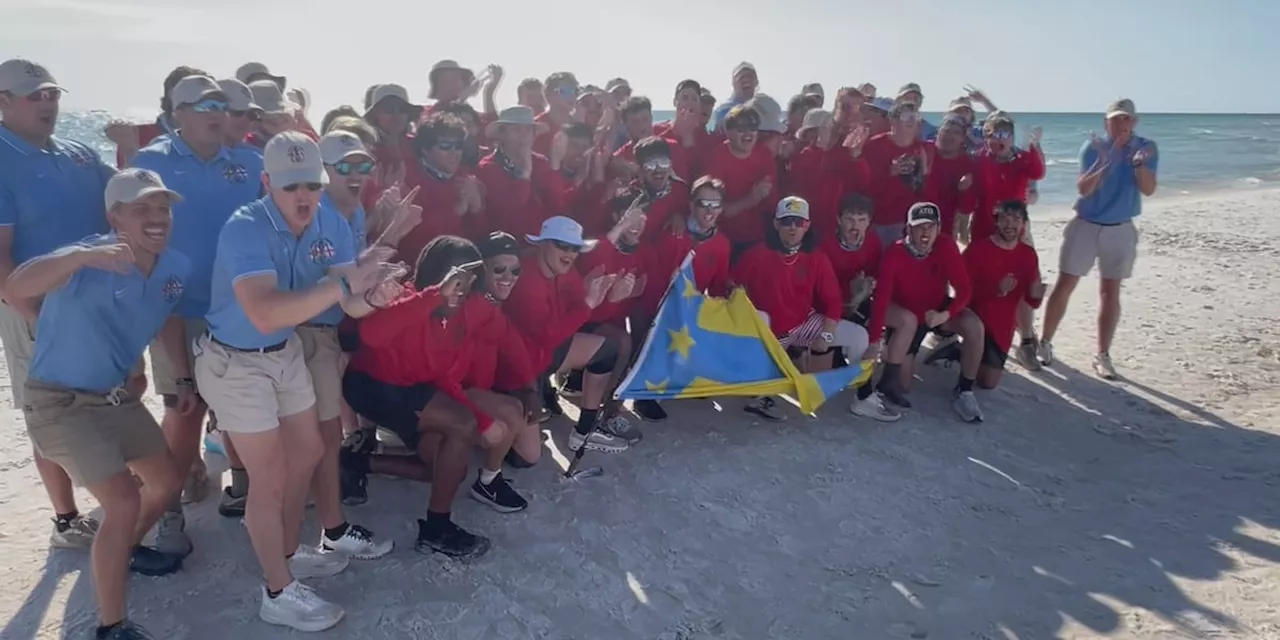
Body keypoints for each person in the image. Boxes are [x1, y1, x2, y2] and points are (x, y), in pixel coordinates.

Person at [196, 131, 397, 631]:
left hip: (283, 353)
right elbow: (264, 313)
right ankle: (278, 590)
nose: (303, 195)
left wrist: (373, 297)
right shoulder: (244, 228)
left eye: (311, 183)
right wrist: (344, 283)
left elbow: (348, 299)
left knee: (308, 452)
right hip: (236, 362)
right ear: (266, 183)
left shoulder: (329, 218)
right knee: (272, 478)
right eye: (290, 186)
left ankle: (285, 551)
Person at [9, 169, 189, 640]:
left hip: (113, 395)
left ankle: (121, 549)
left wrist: (182, 375)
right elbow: (17, 285)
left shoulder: (175, 266)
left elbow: (166, 316)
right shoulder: (87, 255)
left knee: (167, 480)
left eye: (163, 208)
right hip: (59, 401)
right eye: (141, 208)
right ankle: (112, 626)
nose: (156, 218)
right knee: (123, 500)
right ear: (114, 217)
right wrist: (81, 255)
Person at [129, 74, 265, 546]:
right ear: (176, 114)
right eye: (202, 103)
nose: (214, 110)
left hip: (239, 308)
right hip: (175, 311)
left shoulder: (250, 163)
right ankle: (167, 514)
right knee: (184, 409)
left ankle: (248, 488)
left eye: (220, 103)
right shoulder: (149, 164)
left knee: (242, 404)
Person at [343, 236, 534, 537]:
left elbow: (444, 375)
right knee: (464, 423)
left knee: (450, 471)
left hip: (414, 390)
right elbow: (372, 335)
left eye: (467, 281)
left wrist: (529, 387)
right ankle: (437, 528)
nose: (459, 290)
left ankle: (357, 463)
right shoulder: (405, 298)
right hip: (372, 387)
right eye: (452, 279)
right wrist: (435, 294)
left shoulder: (464, 310)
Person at [1, 57, 116, 550]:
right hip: (37, 306)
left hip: (96, 306)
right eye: (35, 96)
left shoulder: (79, 153)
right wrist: (31, 313)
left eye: (52, 94)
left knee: (109, 395)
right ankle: (67, 519)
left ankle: (113, 493)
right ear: (2, 103)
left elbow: (128, 197)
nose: (48, 103)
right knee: (47, 410)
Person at [1039, 98, 1157, 380]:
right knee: (1065, 283)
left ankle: (1102, 354)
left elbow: (1149, 189)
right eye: (1115, 119)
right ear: (1106, 122)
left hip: (1121, 227)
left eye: (1126, 119)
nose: (1121, 124)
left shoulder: (1145, 147)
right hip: (1086, 224)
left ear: (1134, 121)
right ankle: (1044, 342)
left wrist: (1138, 164)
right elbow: (1084, 189)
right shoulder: (1093, 147)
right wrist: (1109, 159)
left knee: (1110, 291)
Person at [729, 197, 872, 422]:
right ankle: (758, 394)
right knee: (761, 317)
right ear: (776, 224)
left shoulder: (816, 256)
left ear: (807, 225)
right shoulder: (757, 254)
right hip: (769, 333)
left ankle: (864, 395)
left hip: (803, 323)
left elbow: (833, 300)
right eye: (787, 222)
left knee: (859, 336)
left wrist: (826, 335)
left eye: (799, 222)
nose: (793, 227)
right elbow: (731, 285)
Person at [505, 216, 628, 452]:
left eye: (575, 248)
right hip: (520, 367)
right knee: (526, 458)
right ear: (542, 244)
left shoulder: (566, 273)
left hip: (545, 355)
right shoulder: (527, 280)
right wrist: (588, 304)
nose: (570, 253)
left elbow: (582, 317)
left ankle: (584, 431)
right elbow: (548, 336)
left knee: (607, 350)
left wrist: (611, 300)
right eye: (562, 245)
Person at [866, 203, 984, 423]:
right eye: (920, 227)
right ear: (908, 229)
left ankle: (965, 390)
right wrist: (874, 340)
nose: (926, 232)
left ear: (939, 229)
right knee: (904, 385)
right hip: (907, 317)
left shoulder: (946, 245)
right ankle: (888, 373)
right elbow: (881, 300)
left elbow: (964, 289)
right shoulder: (894, 253)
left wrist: (946, 314)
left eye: (931, 226)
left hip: (936, 311)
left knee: (973, 324)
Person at [634, 176, 733, 421]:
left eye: (716, 204)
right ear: (691, 205)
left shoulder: (721, 243)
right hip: (657, 304)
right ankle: (645, 395)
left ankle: (688, 377)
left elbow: (717, 285)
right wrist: (663, 310)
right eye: (703, 203)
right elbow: (655, 273)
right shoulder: (673, 231)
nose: (709, 211)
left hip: (689, 306)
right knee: (652, 342)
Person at [943, 200, 1045, 390]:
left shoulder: (1028, 255)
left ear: (1024, 224)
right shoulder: (978, 249)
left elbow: (1031, 301)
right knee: (973, 362)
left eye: (1016, 219)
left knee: (987, 383)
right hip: (975, 317)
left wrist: (1037, 294)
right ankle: (963, 347)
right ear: (996, 222)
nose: (1010, 224)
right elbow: (960, 287)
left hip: (1002, 326)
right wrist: (996, 290)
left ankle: (956, 351)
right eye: (1005, 219)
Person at [972, 112, 1045, 369]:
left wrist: (1035, 146)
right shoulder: (980, 159)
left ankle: (1026, 341)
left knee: (1024, 284)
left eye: (1004, 134)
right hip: (984, 228)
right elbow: (971, 193)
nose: (998, 140)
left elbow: (1038, 171)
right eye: (992, 135)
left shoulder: (1022, 159)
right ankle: (977, 339)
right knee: (984, 284)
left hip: (1017, 229)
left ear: (1012, 138)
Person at [818, 194, 899, 422]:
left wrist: (866, 287)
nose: (855, 226)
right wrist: (850, 296)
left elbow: (876, 281)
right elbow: (820, 295)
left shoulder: (873, 243)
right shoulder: (825, 246)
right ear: (838, 220)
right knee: (827, 376)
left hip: (856, 306)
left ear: (870, 222)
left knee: (871, 329)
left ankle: (865, 395)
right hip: (826, 313)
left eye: (861, 219)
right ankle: (859, 386)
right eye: (850, 219)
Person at [467, 232, 542, 465]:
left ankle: (486, 437)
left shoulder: (497, 306)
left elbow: (515, 350)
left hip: (486, 390)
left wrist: (530, 389)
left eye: (515, 271)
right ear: (481, 270)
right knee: (511, 413)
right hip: (453, 393)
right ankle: (489, 477)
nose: (508, 277)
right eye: (499, 269)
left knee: (529, 455)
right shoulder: (468, 306)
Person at [394, 113, 484, 257]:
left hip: (458, 262)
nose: (454, 153)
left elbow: (480, 234)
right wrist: (455, 211)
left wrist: (476, 207)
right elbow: (410, 228)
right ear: (425, 149)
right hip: (415, 264)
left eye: (458, 146)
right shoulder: (406, 175)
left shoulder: (466, 177)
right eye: (445, 146)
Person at [474, 106, 566, 239]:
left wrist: (555, 165)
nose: (523, 135)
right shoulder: (487, 168)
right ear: (502, 134)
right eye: (516, 129)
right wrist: (524, 177)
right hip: (507, 248)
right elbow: (507, 216)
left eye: (528, 129)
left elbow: (557, 206)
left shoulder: (541, 163)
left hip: (542, 244)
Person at [701, 105, 777, 256]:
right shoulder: (717, 158)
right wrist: (750, 199)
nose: (748, 133)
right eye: (741, 128)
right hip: (725, 239)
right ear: (728, 132)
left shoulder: (764, 154)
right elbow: (718, 210)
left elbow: (771, 201)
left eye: (753, 127)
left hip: (759, 238)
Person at [104, 66, 208, 167]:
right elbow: (125, 181)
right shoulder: (136, 136)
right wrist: (129, 150)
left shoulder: (218, 135)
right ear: (171, 97)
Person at [862, 101, 930, 245]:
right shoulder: (873, 146)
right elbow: (864, 188)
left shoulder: (925, 149)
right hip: (878, 222)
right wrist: (890, 172)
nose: (912, 120)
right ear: (892, 120)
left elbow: (927, 193)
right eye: (906, 116)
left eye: (915, 116)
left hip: (910, 224)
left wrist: (924, 171)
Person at [710, 62, 759, 132]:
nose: (746, 80)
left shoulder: (764, 109)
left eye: (750, 76)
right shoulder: (722, 110)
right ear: (733, 84)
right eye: (741, 77)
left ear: (756, 82)